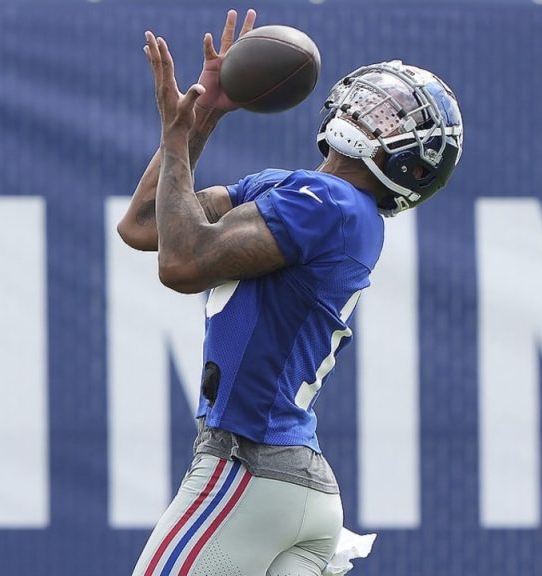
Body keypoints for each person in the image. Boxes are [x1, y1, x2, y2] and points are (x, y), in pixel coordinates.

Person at [119, 9, 463, 576]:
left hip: (246, 470)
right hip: (293, 485)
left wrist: (177, 136)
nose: (367, 113)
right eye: (373, 104)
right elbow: (143, 226)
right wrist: (202, 115)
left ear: (413, 163)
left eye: (389, 116)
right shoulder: (295, 191)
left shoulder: (332, 204)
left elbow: (180, 264)